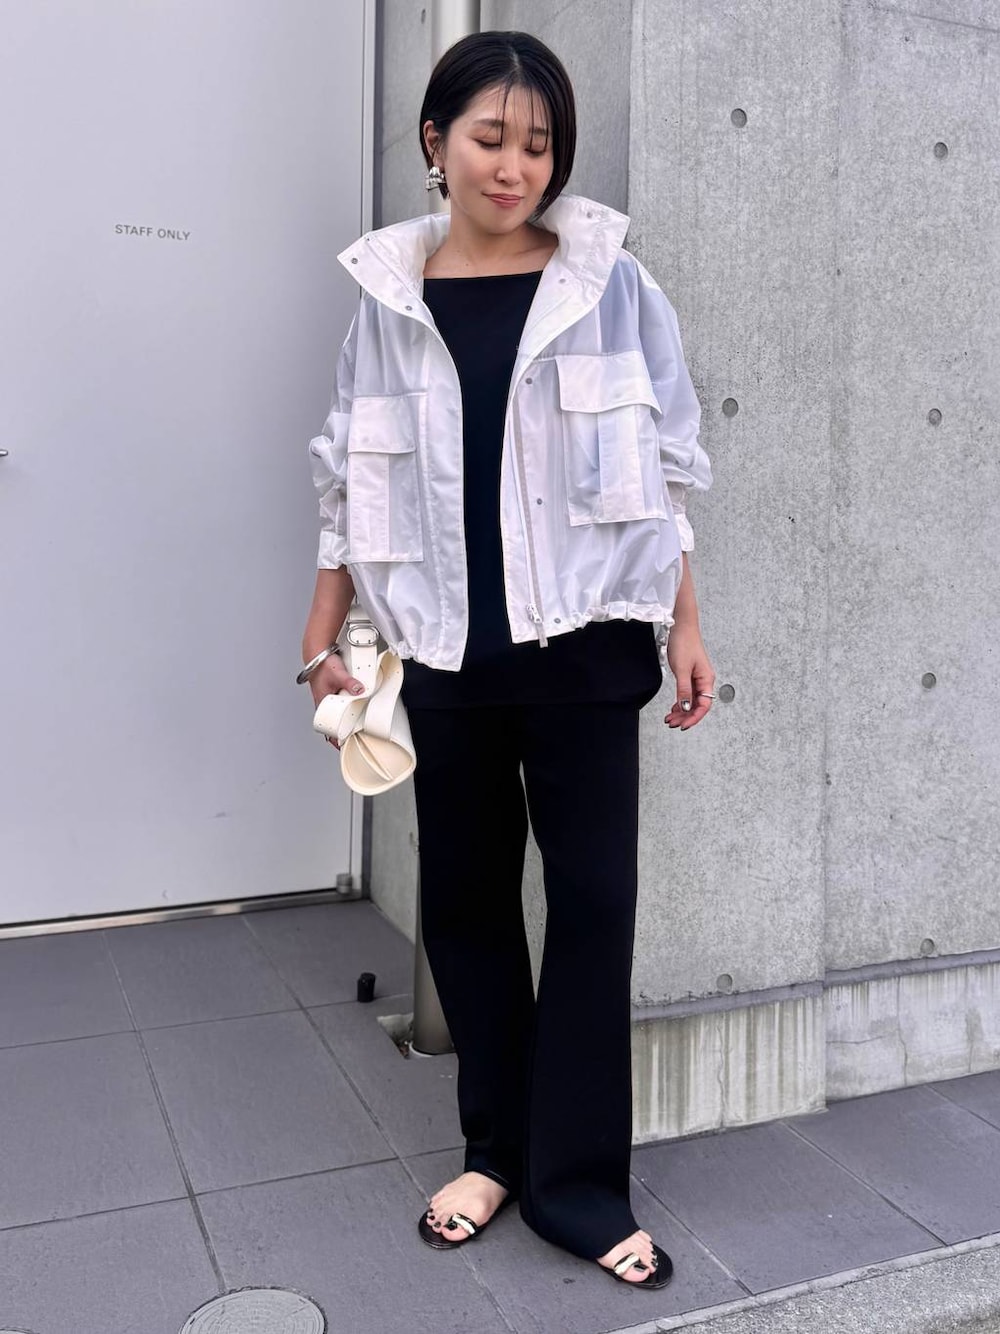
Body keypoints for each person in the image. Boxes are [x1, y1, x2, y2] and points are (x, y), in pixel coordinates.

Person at [301, 30, 715, 1290]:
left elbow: (669, 467)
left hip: (587, 647)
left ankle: (575, 1186)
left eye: (538, 145)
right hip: (444, 652)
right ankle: (492, 1151)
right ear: (435, 142)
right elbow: (344, 478)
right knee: (467, 906)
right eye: (490, 138)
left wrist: (686, 623)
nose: (514, 166)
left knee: (592, 906)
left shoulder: (610, 286)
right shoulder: (386, 302)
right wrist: (322, 630)